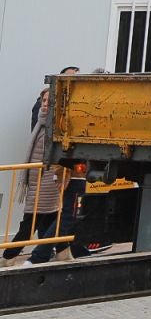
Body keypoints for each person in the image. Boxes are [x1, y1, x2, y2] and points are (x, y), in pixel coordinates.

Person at [3, 84, 86, 265]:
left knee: (31, 222)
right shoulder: (42, 122)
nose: (45, 104)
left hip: (48, 181)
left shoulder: (58, 125)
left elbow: (58, 154)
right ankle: (62, 252)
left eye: (50, 101)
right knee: (47, 220)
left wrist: (60, 175)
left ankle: (9, 257)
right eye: (44, 100)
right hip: (37, 180)